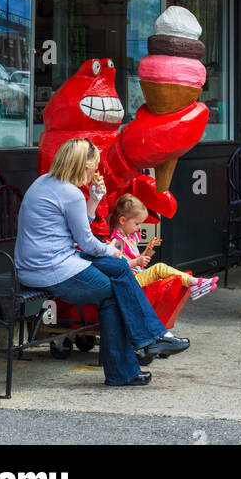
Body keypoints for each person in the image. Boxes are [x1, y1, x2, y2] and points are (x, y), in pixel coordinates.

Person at [14, 138, 189, 388]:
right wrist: (111, 250)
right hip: (52, 270)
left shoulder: (43, 183)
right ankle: (135, 357)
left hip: (42, 264)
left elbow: (76, 230)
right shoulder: (71, 193)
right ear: (81, 165)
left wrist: (94, 200)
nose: (95, 172)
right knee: (114, 293)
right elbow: (85, 241)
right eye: (93, 166)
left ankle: (149, 342)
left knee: (118, 271)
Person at [108, 194, 218, 298]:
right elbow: (117, 267)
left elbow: (137, 262)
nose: (139, 227)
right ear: (122, 220)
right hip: (129, 281)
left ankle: (193, 286)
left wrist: (148, 250)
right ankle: (193, 282)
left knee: (165, 278)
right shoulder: (116, 241)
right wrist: (137, 262)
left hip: (136, 276)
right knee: (159, 268)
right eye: (137, 223)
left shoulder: (128, 237)